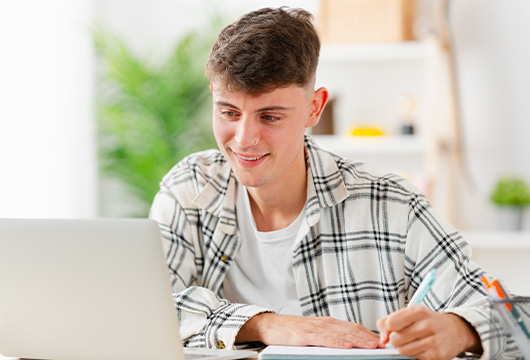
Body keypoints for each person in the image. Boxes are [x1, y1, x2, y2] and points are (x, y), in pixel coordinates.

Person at [149, 7, 513, 360]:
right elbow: (149, 306)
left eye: (270, 116)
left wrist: (459, 329)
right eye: (229, 112)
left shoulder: (391, 205)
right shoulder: (189, 189)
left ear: (314, 108)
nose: (244, 139)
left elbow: (513, 318)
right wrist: (268, 325)